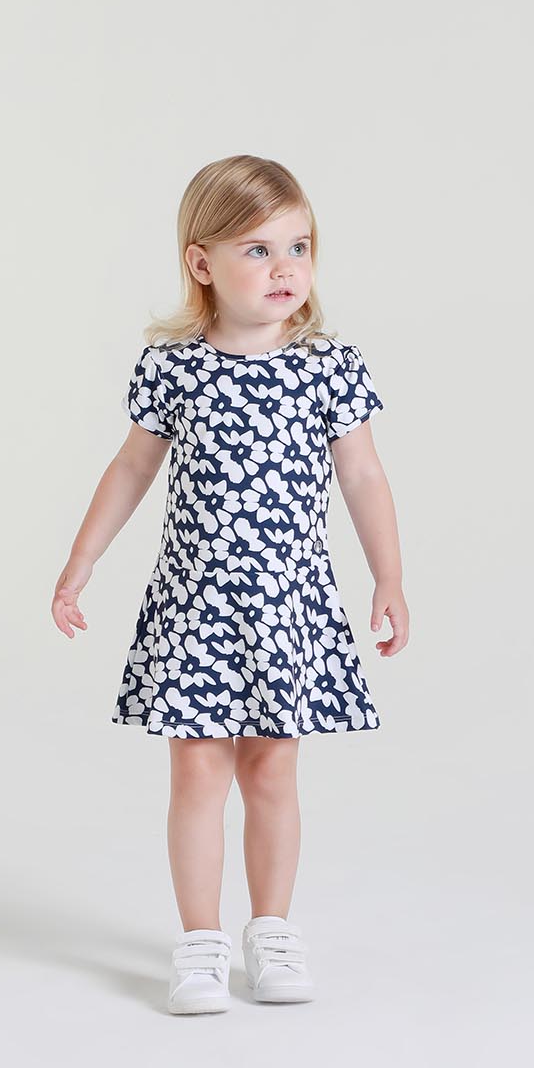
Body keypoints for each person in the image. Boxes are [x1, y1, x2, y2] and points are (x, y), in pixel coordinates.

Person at [51, 155, 408, 1015]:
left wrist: (388, 576)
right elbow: (133, 467)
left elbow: (362, 475)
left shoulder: (327, 366)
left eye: (299, 246)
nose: (285, 267)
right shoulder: (174, 367)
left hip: (287, 607)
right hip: (199, 609)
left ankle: (272, 931)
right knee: (198, 775)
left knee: (273, 771)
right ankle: (200, 944)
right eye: (258, 249)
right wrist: (82, 559)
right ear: (201, 262)